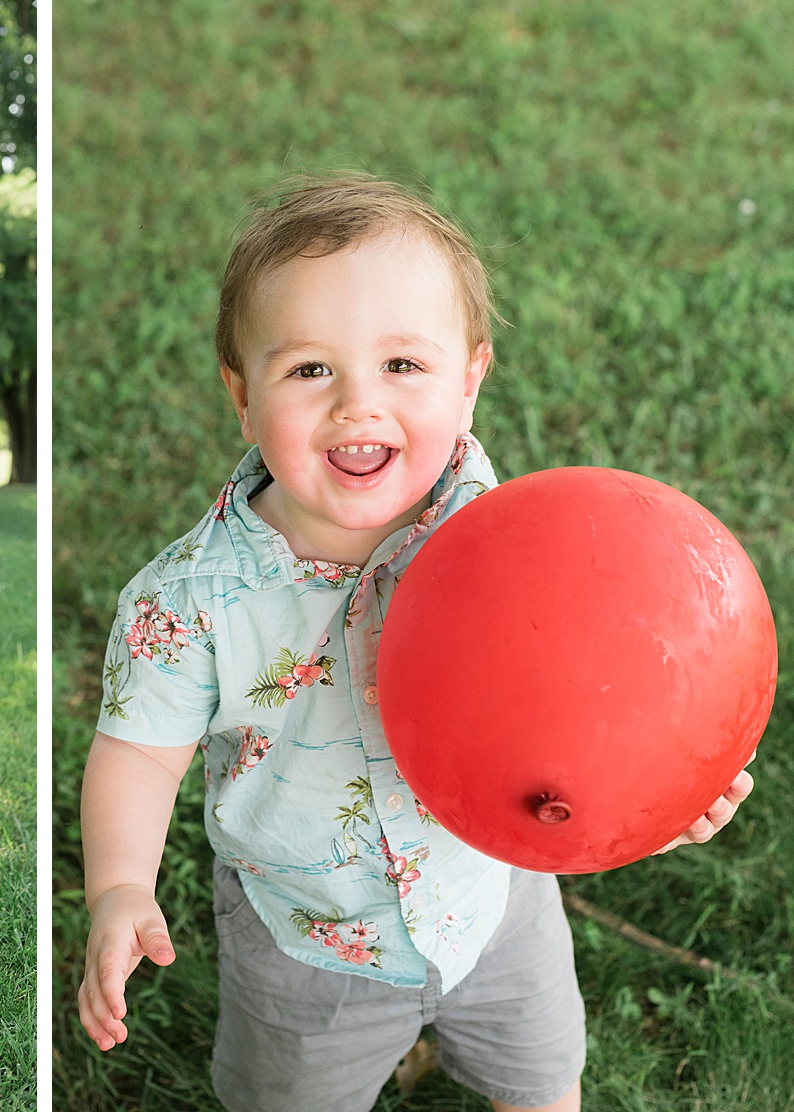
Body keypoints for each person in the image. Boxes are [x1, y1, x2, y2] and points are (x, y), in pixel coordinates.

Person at [75, 177, 756, 1112]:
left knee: (546, 1085)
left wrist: (655, 793)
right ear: (242, 394)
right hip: (309, 942)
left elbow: (598, 685)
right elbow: (138, 756)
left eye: (403, 364)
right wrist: (118, 887)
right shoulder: (190, 599)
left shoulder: (514, 537)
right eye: (310, 370)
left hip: (493, 909)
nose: (359, 405)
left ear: (470, 378)